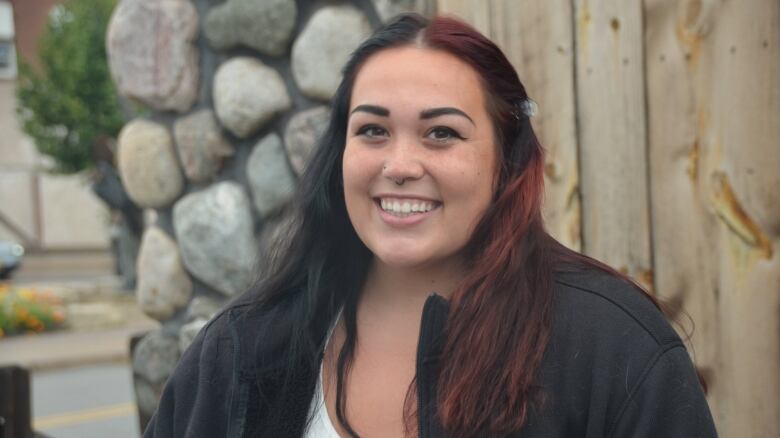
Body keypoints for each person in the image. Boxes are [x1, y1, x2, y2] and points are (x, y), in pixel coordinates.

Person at [143, 14, 717, 438]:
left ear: (505, 161)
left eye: (441, 133)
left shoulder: (613, 349)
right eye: (372, 130)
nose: (399, 166)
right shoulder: (243, 350)